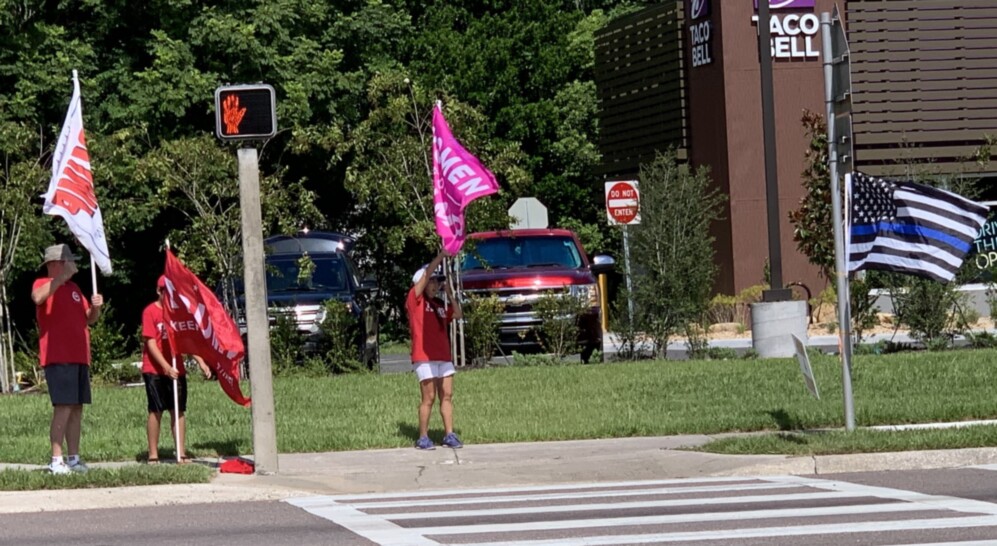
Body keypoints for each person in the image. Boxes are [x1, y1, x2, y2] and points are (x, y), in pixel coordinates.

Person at [31, 243, 103, 474]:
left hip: (79, 355)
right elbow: (37, 297)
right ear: (54, 264)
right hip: (58, 356)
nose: (73, 265)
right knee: (62, 407)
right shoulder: (44, 284)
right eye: (67, 261)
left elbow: (89, 319)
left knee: (76, 408)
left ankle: (73, 457)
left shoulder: (74, 289)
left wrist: (95, 308)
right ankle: (56, 459)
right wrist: (62, 277)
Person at [141, 275, 211, 464]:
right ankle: (153, 454)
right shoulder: (150, 312)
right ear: (159, 291)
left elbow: (185, 341)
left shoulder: (177, 314)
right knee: (156, 410)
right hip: (154, 369)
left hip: (176, 369)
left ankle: (181, 452)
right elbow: (151, 343)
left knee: (178, 410)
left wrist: (200, 361)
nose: (170, 298)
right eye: (167, 293)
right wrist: (165, 366)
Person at [406, 250, 464, 450]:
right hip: (425, 356)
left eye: (437, 282)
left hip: (443, 356)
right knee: (428, 397)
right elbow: (426, 274)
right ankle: (423, 436)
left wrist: (448, 292)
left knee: (446, 395)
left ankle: (449, 434)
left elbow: (457, 313)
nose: (434, 285)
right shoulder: (415, 300)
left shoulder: (439, 304)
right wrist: (441, 256)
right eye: (432, 281)